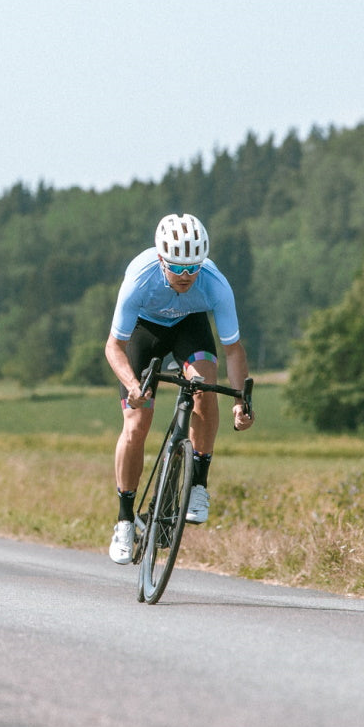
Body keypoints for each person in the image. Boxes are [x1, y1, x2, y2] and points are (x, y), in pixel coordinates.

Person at [104, 212, 255, 564]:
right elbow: (114, 346)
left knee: (205, 386)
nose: (187, 276)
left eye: (193, 268)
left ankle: (198, 484)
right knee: (137, 422)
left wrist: (241, 402)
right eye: (177, 267)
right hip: (146, 332)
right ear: (161, 260)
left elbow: (233, 349)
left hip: (190, 327)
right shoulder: (140, 280)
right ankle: (125, 520)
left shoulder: (215, 284)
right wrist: (132, 386)